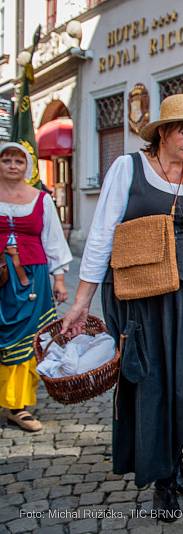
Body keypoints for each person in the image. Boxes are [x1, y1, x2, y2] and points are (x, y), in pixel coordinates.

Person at [61, 94, 183, 520]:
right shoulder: (127, 169)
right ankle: (165, 476)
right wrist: (82, 301)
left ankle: (174, 455)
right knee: (152, 385)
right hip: (140, 296)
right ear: (163, 133)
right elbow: (100, 236)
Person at [0, 142, 71, 432]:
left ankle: (18, 405)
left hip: (33, 279)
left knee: (28, 338)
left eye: (18, 161)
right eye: (6, 160)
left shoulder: (41, 200)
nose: (12, 165)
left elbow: (53, 239)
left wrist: (60, 279)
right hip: (0, 278)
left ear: (27, 166)